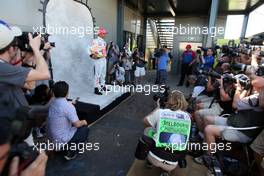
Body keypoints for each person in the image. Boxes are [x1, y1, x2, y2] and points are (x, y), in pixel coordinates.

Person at [0, 20, 50, 113]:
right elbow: (44, 74)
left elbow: (30, 86)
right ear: (11, 49)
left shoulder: (6, 69)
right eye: (15, 45)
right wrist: (36, 48)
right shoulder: (3, 69)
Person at [47, 81, 89, 160]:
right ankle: (71, 152)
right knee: (84, 128)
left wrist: (71, 103)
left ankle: (59, 148)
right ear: (67, 92)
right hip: (61, 140)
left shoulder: (52, 102)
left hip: (51, 139)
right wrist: (83, 122)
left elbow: (61, 105)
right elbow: (77, 124)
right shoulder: (68, 107)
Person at [89, 27, 108, 95]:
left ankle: (102, 86)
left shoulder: (104, 42)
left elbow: (103, 51)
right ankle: (96, 88)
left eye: (105, 33)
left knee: (103, 74)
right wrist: (94, 56)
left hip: (103, 59)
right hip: (98, 60)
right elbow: (91, 50)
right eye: (103, 33)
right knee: (97, 74)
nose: (105, 35)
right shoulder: (95, 40)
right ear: (100, 34)